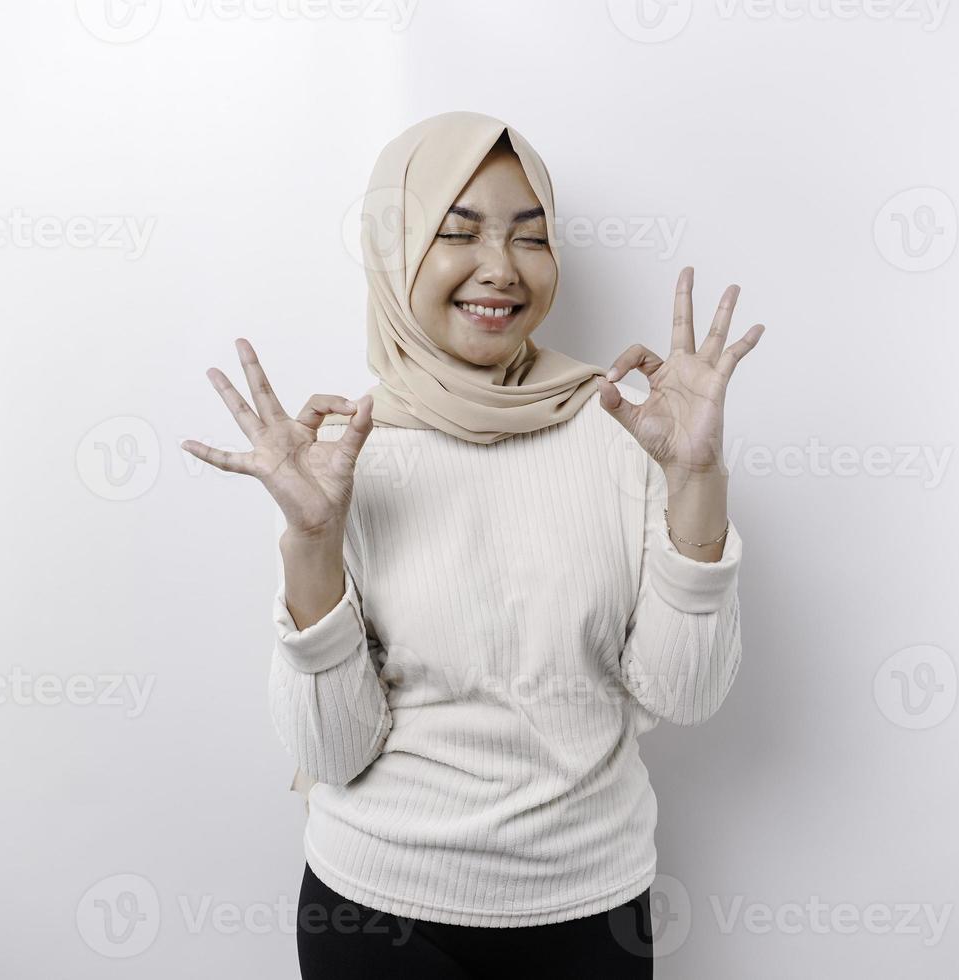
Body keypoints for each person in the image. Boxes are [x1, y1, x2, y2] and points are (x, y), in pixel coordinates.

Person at [181, 110, 764, 979]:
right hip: (381, 915)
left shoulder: (621, 430)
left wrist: (698, 481)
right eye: (459, 233)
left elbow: (682, 695)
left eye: (530, 238)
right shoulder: (340, 460)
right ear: (396, 250)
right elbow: (332, 753)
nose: (501, 268)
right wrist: (311, 541)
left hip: (592, 905)